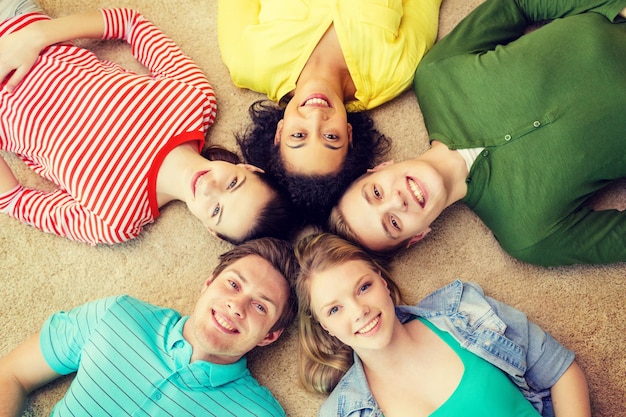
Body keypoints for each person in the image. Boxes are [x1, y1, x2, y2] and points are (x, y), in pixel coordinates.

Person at [330, 0, 626, 266]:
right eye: (393, 223)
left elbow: (518, 4)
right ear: (416, 237)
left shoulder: (437, 75)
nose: (397, 201)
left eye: (377, 193)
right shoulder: (529, 236)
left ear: (380, 168)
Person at [0, 3, 295, 246]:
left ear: (211, 230)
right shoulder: (196, 101)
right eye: (233, 184)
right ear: (248, 169)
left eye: (217, 210)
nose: (209, 188)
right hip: (15, 21)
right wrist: (34, 36)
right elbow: (129, 24)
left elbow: (14, 200)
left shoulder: (114, 221)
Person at [295, 232, 591, 417]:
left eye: (363, 287)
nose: (359, 311)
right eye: (335, 309)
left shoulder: (464, 309)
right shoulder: (342, 412)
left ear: (383, 282)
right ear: (325, 327)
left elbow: (559, 370)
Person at [0, 236, 299, 417]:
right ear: (207, 284)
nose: (237, 305)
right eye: (233, 284)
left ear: (270, 335)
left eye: (260, 306)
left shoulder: (259, 413)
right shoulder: (116, 315)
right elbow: (11, 374)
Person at [217, 0, 442, 224]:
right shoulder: (396, 73)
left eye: (298, 135)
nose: (316, 117)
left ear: (280, 132)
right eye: (331, 137)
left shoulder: (246, 61)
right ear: (349, 134)